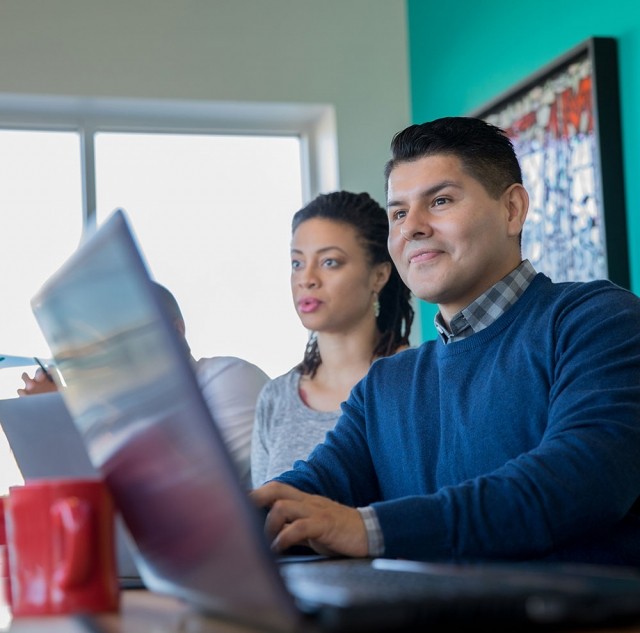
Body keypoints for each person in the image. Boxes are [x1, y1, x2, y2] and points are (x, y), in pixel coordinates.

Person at [250, 117, 640, 565]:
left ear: (512, 209)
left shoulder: (596, 321)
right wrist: (223, 520)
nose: (411, 227)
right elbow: (306, 494)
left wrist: (369, 529)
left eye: (439, 201)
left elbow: (581, 481)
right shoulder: (386, 385)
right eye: (398, 212)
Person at [18, 282, 269, 489]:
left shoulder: (228, 377)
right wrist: (47, 420)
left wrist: (69, 423)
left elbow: (188, 491)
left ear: (176, 331)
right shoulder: (118, 414)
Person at [250, 191, 414, 487]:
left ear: (379, 276)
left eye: (329, 262)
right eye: (297, 263)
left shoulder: (417, 383)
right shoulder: (275, 399)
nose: (307, 278)